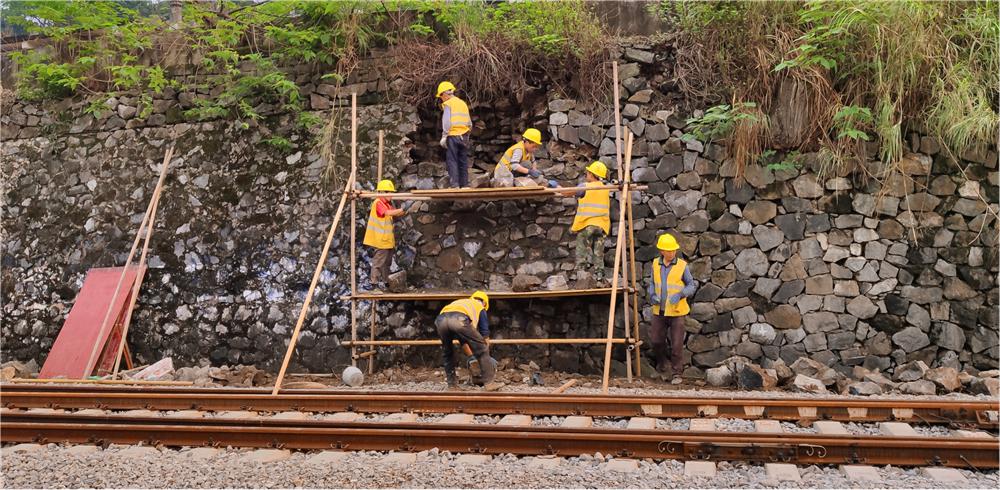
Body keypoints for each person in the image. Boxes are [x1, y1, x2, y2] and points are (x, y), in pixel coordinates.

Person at [647, 232, 699, 385]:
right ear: (661, 251)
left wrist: (682, 294)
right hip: (659, 311)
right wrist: (652, 295)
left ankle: (677, 372)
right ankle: (663, 365)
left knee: (676, 344)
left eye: (673, 250)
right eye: (669, 250)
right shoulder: (656, 264)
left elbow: (692, 285)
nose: (672, 253)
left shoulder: (682, 265)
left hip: (677, 312)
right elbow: (651, 283)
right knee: (656, 341)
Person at [558, 161, 611, 287]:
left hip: (589, 224)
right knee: (598, 251)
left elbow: (569, 193)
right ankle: (599, 276)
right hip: (602, 226)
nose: (586, 173)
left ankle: (581, 272)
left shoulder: (586, 186)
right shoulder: (605, 187)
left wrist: (558, 188)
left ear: (592, 174)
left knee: (582, 246)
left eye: (588, 172)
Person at [435, 291, 496, 388]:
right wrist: (486, 356)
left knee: (448, 353)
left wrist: (472, 357)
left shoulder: (462, 303)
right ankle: (489, 383)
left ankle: (452, 385)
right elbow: (485, 334)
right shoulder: (480, 307)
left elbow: (462, 339)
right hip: (458, 319)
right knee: (482, 348)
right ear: (484, 303)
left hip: (440, 320)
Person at [362, 180, 407, 291]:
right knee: (378, 263)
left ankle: (387, 282)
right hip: (380, 240)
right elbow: (388, 213)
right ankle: (374, 284)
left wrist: (405, 209)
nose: (390, 195)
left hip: (387, 241)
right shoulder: (378, 203)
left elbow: (395, 213)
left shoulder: (387, 204)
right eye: (388, 192)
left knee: (386, 263)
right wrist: (402, 209)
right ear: (381, 192)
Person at [436, 81, 472, 188]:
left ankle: (455, 184)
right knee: (463, 160)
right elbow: (469, 123)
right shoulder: (463, 103)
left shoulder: (448, 104)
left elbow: (446, 122)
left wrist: (444, 136)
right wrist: (467, 135)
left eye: (441, 96)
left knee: (452, 160)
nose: (441, 99)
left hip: (453, 136)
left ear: (445, 94)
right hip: (464, 136)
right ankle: (465, 184)